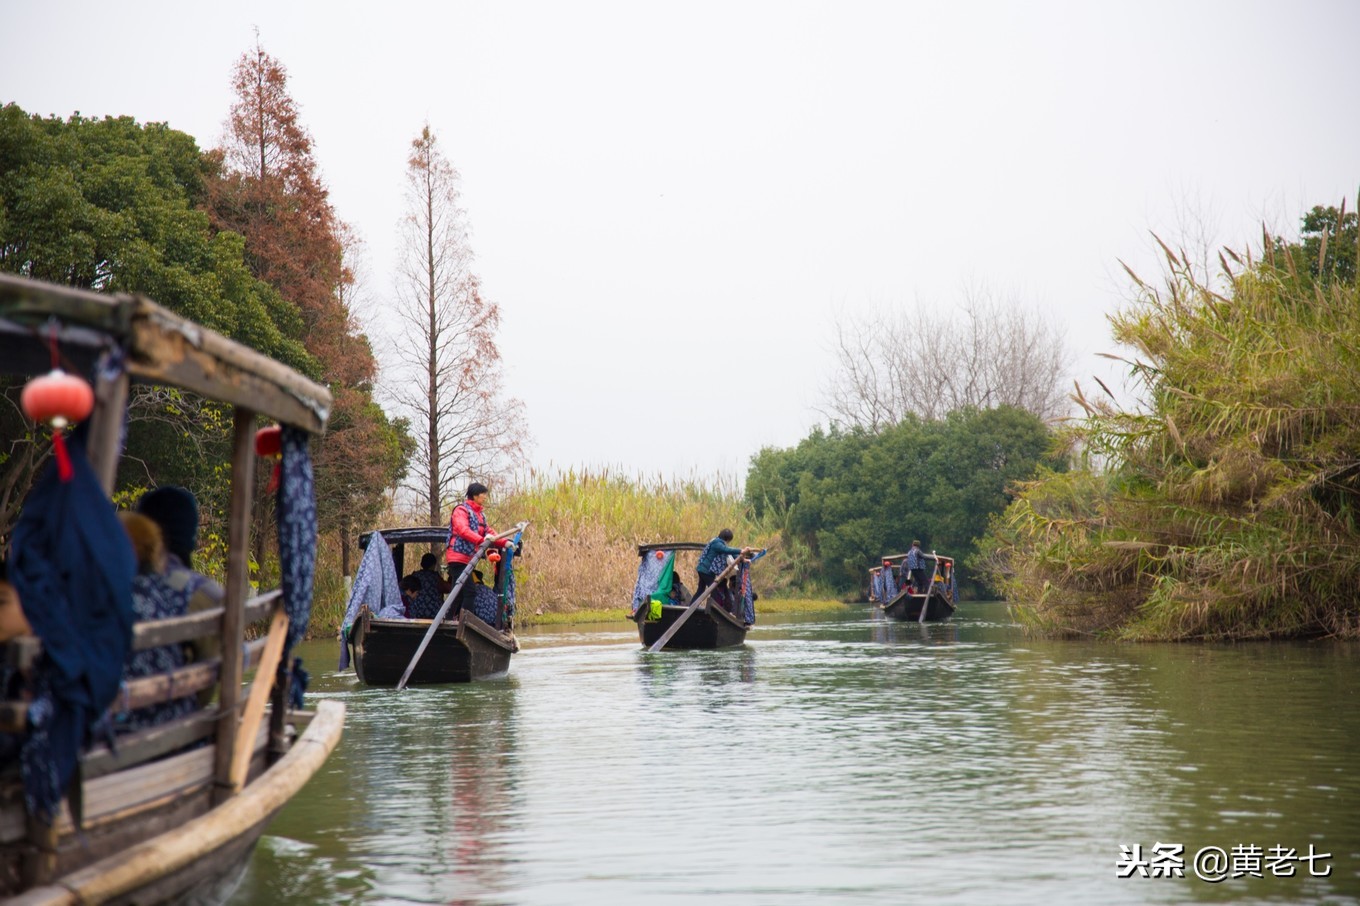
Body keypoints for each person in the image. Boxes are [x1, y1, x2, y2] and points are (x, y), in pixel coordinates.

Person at [135, 486, 224, 703]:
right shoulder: (202, 594)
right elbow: (206, 690)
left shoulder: (117, 586)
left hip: (108, 728)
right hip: (176, 724)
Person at [445, 482, 511, 618]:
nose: (486, 497)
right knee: (470, 592)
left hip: (468, 559)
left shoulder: (480, 515)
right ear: (475, 495)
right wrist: (481, 540)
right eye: (483, 494)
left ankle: (448, 618)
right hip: (457, 557)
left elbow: (489, 533)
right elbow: (463, 530)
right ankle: (464, 622)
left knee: (457, 593)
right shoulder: (461, 511)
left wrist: (505, 542)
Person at [695, 529, 752, 600]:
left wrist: (743, 560)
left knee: (701, 590)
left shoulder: (720, 543)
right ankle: (712, 608)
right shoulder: (716, 543)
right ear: (727, 539)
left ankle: (691, 607)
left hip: (703, 570)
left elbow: (730, 552)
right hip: (706, 570)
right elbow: (726, 550)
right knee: (713, 591)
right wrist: (741, 551)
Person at [404, 552, 452, 620]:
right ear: (433, 565)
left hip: (416, 613)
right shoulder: (435, 578)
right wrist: (451, 576)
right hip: (434, 614)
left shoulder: (414, 576)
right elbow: (449, 589)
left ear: (421, 564)